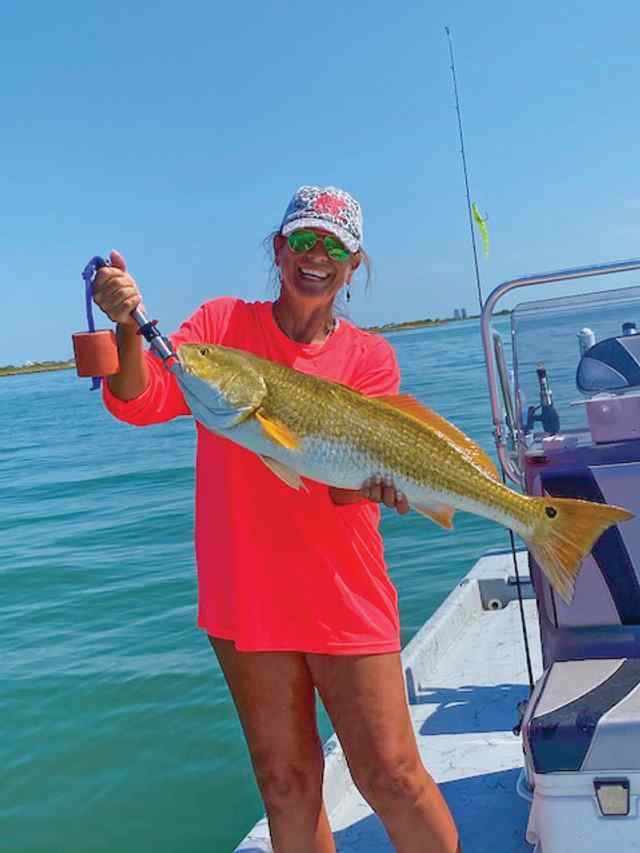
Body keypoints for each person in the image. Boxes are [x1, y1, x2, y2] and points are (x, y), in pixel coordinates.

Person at [94, 186, 461, 853]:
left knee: (392, 775)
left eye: (333, 247)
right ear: (278, 249)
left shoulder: (370, 359)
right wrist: (126, 326)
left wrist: (381, 488)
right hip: (246, 594)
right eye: (302, 240)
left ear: (354, 266)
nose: (315, 257)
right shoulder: (219, 327)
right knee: (285, 781)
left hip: (342, 589)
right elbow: (138, 398)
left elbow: (343, 490)